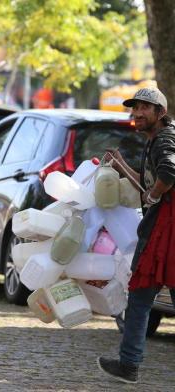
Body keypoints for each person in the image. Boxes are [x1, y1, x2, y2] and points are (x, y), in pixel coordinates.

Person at [97, 87, 175, 383]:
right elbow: (148, 184)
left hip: (166, 230)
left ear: (160, 113)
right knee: (141, 297)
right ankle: (128, 363)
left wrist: (155, 197)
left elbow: (168, 172)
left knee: (141, 295)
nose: (137, 113)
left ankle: (129, 365)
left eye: (145, 108)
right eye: (135, 107)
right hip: (164, 228)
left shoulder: (165, 140)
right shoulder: (159, 138)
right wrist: (121, 165)